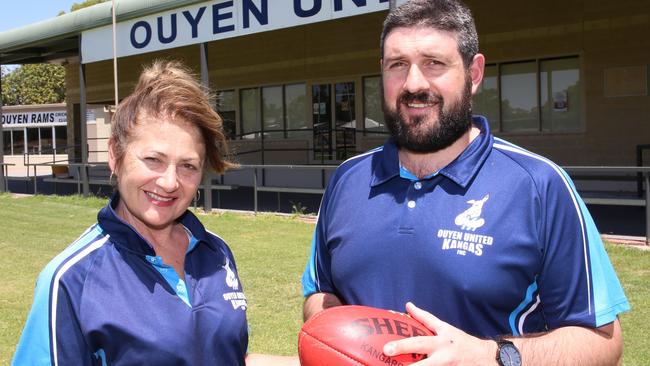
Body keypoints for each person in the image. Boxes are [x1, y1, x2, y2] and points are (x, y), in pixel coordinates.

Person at [301, 0, 630, 365]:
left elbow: (602, 341)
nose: (413, 83)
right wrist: (345, 338)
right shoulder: (347, 180)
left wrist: (489, 355)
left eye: (434, 63)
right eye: (398, 65)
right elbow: (319, 294)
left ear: (474, 74)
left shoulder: (539, 184)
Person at [12, 61, 297, 366]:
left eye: (188, 166)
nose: (170, 182)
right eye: (153, 159)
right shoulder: (71, 280)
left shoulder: (216, 252)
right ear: (114, 155)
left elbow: (225, 357)